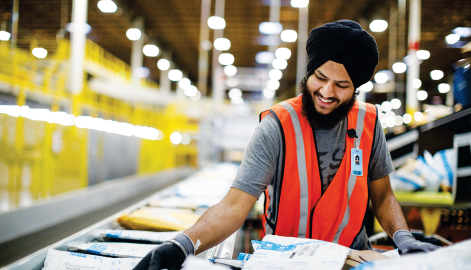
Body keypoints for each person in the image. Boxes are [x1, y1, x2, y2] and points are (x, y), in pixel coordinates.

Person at [133, 20, 439, 270]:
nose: (327, 92)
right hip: (284, 263)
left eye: (341, 85)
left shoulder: (369, 122)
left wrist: (403, 237)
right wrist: (183, 245)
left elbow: (383, 195)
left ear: (355, 88)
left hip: (353, 260)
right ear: (309, 73)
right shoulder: (277, 126)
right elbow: (234, 205)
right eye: (320, 78)